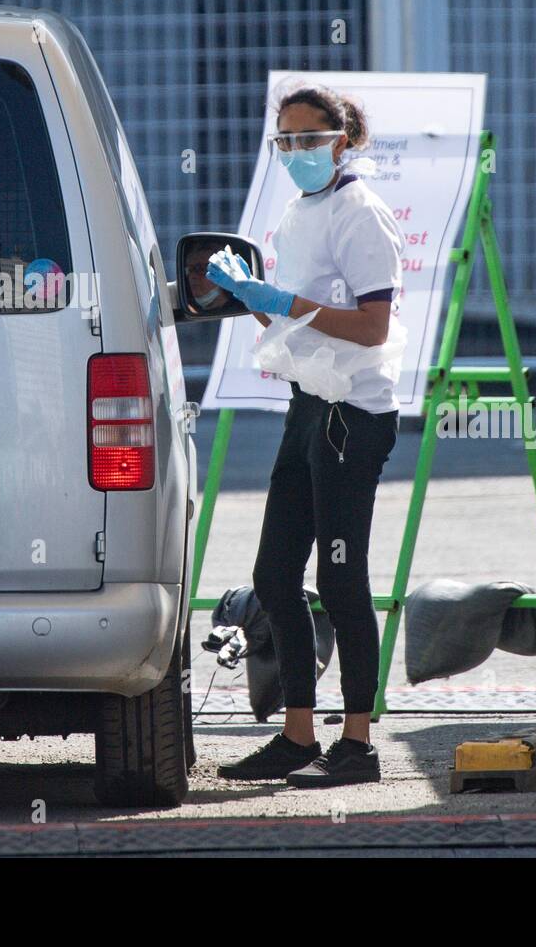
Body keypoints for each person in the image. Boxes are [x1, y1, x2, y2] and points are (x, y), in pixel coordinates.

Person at [209, 83, 404, 788]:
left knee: (342, 579)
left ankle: (356, 744)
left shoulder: (361, 213)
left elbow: (372, 326)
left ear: (343, 139)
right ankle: (298, 733)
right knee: (273, 575)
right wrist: (249, 296)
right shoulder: (296, 213)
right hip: (309, 404)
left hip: (355, 410)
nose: (296, 152)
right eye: (284, 140)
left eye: (309, 139)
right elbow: (292, 323)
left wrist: (278, 299)